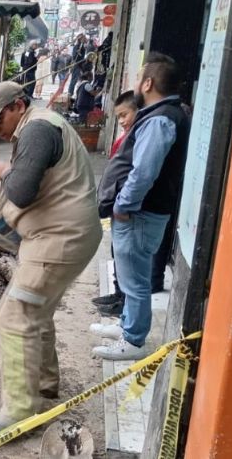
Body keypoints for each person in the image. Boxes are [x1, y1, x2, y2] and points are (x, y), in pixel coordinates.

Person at [0, 81, 102, 433]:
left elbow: (21, 191)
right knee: (36, 311)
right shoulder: (42, 124)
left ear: (17, 105)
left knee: (15, 316)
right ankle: (43, 388)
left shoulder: (38, 130)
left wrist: (4, 171)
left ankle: (19, 412)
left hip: (59, 238)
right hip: (61, 236)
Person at [94, 53, 190, 360]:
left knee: (135, 280)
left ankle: (133, 341)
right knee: (130, 276)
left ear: (148, 83)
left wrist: (124, 203)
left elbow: (144, 171)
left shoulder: (161, 119)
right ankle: (127, 326)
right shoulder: (162, 113)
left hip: (139, 213)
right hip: (140, 212)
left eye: (138, 77)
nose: (135, 83)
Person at [92, 91, 138, 318]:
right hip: (116, 205)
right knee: (117, 252)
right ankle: (118, 294)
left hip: (124, 209)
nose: (121, 121)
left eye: (125, 115)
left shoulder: (139, 137)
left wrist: (122, 204)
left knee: (128, 260)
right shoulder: (127, 136)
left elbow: (139, 174)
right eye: (118, 116)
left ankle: (125, 306)